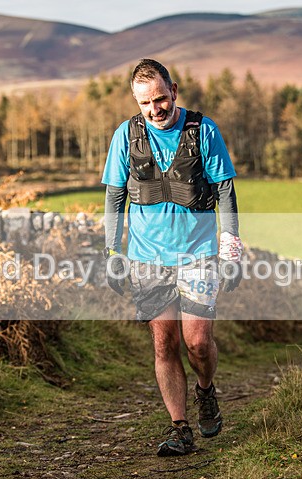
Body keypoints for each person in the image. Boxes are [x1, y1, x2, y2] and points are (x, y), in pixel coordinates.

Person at [101, 58, 243, 457]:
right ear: (136, 101)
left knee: (197, 342)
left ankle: (206, 391)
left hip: (198, 254)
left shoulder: (204, 130)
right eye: (145, 103)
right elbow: (114, 197)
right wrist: (112, 251)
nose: (154, 110)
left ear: (174, 91)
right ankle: (180, 428)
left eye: (160, 99)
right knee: (164, 344)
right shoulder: (125, 137)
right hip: (146, 257)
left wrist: (230, 248)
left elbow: (226, 193)